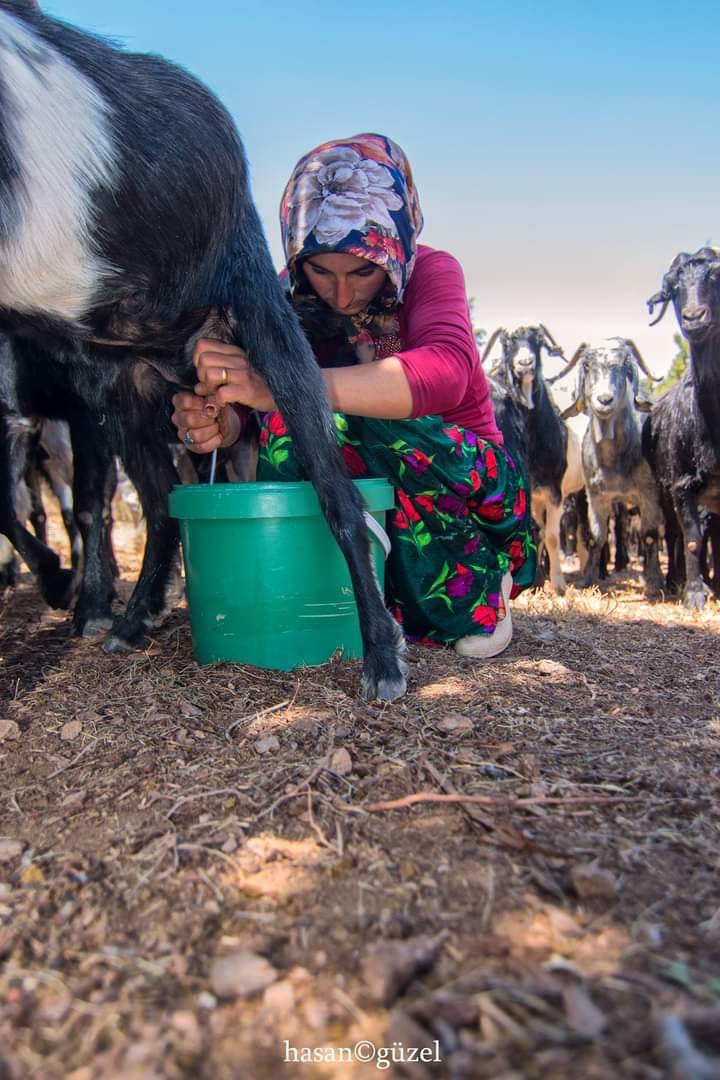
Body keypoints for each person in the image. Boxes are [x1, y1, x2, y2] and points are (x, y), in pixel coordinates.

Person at [171, 133, 536, 657]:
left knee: (335, 411)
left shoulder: (433, 272)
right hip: (375, 497)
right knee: (289, 421)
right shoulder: (284, 293)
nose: (341, 294)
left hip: (471, 488)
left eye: (364, 270)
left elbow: (446, 372)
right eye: (320, 270)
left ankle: (480, 586)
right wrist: (222, 419)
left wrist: (281, 387)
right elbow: (254, 416)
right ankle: (324, 591)